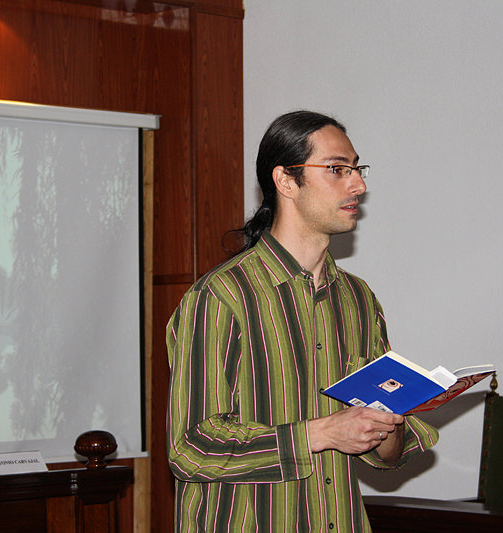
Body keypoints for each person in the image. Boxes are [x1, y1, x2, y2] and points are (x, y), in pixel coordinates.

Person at [166, 110, 439, 532]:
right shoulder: (220, 296)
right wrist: (321, 433)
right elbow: (191, 448)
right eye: (337, 170)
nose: (359, 185)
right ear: (286, 181)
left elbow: (387, 454)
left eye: (357, 169)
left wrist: (387, 424)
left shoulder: (358, 299)